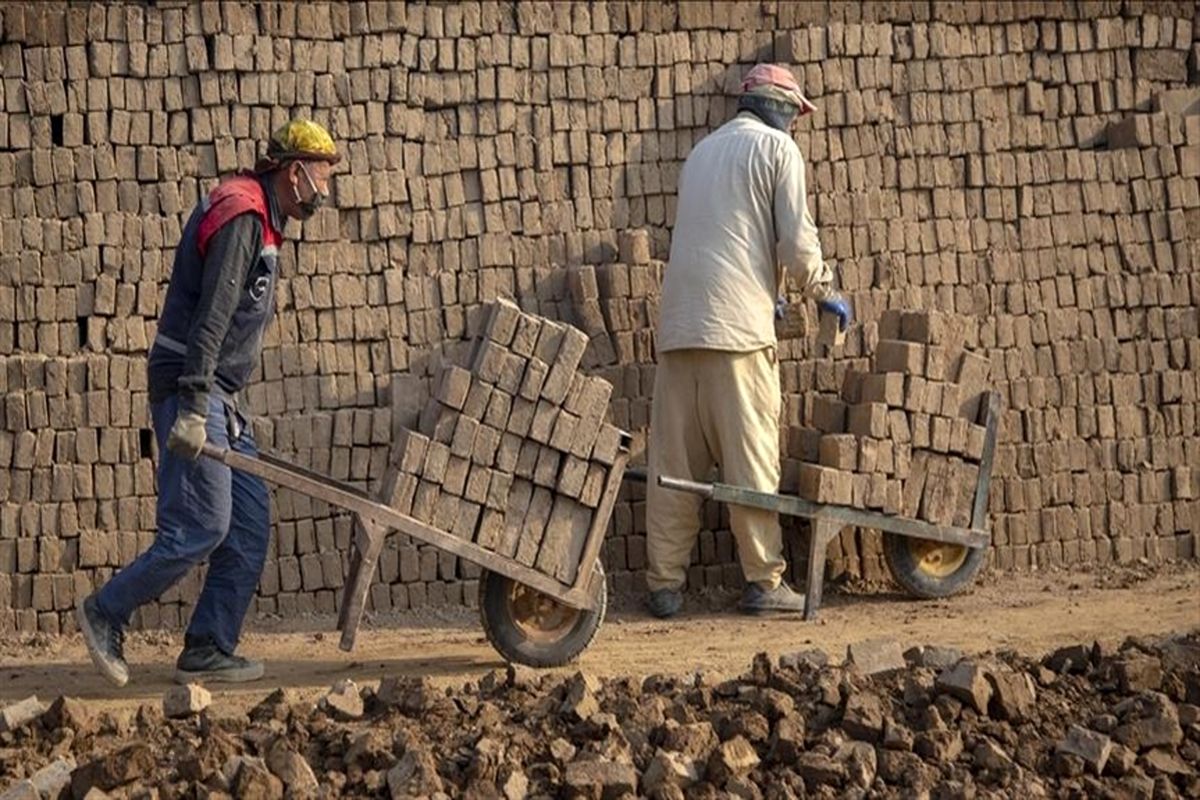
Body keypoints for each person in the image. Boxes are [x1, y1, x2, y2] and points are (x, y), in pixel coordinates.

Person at [76, 120, 340, 686]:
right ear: (295, 173)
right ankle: (106, 610)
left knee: (247, 524)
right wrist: (194, 406)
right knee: (200, 525)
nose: (325, 191)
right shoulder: (242, 216)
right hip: (192, 385)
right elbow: (213, 316)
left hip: (223, 393)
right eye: (322, 177)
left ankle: (207, 645)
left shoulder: (265, 217)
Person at [645, 64, 852, 618]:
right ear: (783, 108)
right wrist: (824, 289)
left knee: (675, 467)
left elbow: (722, 236)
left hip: (679, 329)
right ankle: (764, 582)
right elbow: (797, 243)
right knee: (751, 461)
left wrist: (769, 291)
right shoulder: (779, 153)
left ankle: (664, 586)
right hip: (738, 336)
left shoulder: (701, 155)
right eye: (796, 116)